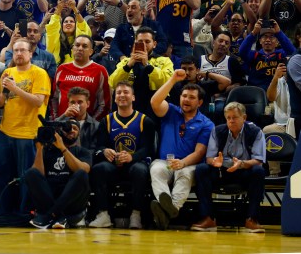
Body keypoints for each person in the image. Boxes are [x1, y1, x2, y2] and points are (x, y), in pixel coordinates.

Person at [0, 38, 52, 221]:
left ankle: (25, 213)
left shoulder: (39, 73)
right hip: (5, 131)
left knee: (26, 176)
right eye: (16, 50)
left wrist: (15, 88)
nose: (18, 53)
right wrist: (4, 92)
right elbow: (0, 103)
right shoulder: (7, 73)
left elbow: (38, 101)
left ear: (30, 54)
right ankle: (0, 214)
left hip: (29, 132)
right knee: (0, 175)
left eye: (22, 50)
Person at [149, 69, 215, 230]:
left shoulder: (206, 124)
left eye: (192, 97)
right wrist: (172, 80)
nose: (186, 100)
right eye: (184, 96)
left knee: (184, 174)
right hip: (165, 161)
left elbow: (200, 152)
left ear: (199, 103)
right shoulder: (171, 111)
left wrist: (183, 163)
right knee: (156, 169)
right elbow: (154, 102)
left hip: (188, 164)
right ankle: (170, 209)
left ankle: (170, 209)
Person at [191, 102, 266, 233]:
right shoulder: (218, 130)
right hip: (221, 171)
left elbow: (259, 160)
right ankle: (208, 218)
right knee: (202, 169)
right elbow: (209, 158)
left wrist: (242, 164)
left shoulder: (256, 132)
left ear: (244, 117)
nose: (231, 121)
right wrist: (214, 162)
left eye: (235, 117)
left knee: (258, 171)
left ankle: (252, 219)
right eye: (228, 118)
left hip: (244, 172)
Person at [89, 82, 155, 230]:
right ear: (115, 98)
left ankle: (136, 215)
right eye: (118, 93)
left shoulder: (145, 121)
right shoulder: (106, 121)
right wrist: (105, 151)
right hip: (113, 165)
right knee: (99, 169)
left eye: (126, 92)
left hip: (134, 164)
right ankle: (103, 215)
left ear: (133, 97)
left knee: (140, 170)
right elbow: (98, 147)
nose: (122, 95)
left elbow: (148, 149)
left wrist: (132, 157)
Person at [25, 118, 92, 229]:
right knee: (31, 173)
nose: (72, 131)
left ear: (79, 133)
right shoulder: (48, 150)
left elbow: (84, 170)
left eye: (75, 129)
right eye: (69, 128)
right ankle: (59, 216)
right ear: (61, 132)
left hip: (71, 201)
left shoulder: (83, 151)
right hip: (50, 197)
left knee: (81, 174)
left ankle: (50, 215)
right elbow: (37, 173)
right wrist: (40, 149)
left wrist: (63, 148)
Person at [108, 26, 174, 122]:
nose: (143, 44)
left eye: (147, 42)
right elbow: (113, 83)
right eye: (140, 42)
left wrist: (148, 66)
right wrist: (128, 66)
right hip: (129, 106)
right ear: (135, 44)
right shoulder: (125, 61)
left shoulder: (164, 61)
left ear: (154, 44)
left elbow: (168, 83)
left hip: (154, 108)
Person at [54, 35, 110, 121]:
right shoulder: (62, 69)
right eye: (77, 45)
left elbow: (104, 104)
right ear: (72, 49)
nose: (80, 48)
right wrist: (57, 120)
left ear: (91, 52)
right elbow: (54, 99)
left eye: (84, 46)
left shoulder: (100, 71)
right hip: (62, 124)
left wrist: (91, 124)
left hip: (88, 128)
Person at [239, 18, 295, 91]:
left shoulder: (281, 54)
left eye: (271, 37)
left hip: (276, 93)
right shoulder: (254, 55)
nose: (268, 40)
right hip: (255, 93)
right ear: (260, 41)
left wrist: (279, 32)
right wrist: (253, 33)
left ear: (277, 42)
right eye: (265, 37)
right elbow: (242, 52)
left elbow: (292, 52)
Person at [46, 0, 91, 65]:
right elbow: (52, 27)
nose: (68, 23)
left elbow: (83, 27)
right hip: (58, 72)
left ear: (76, 26)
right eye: (66, 22)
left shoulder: (80, 39)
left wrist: (74, 8)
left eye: (71, 22)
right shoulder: (55, 39)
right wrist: (59, 9)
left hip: (77, 73)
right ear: (61, 26)